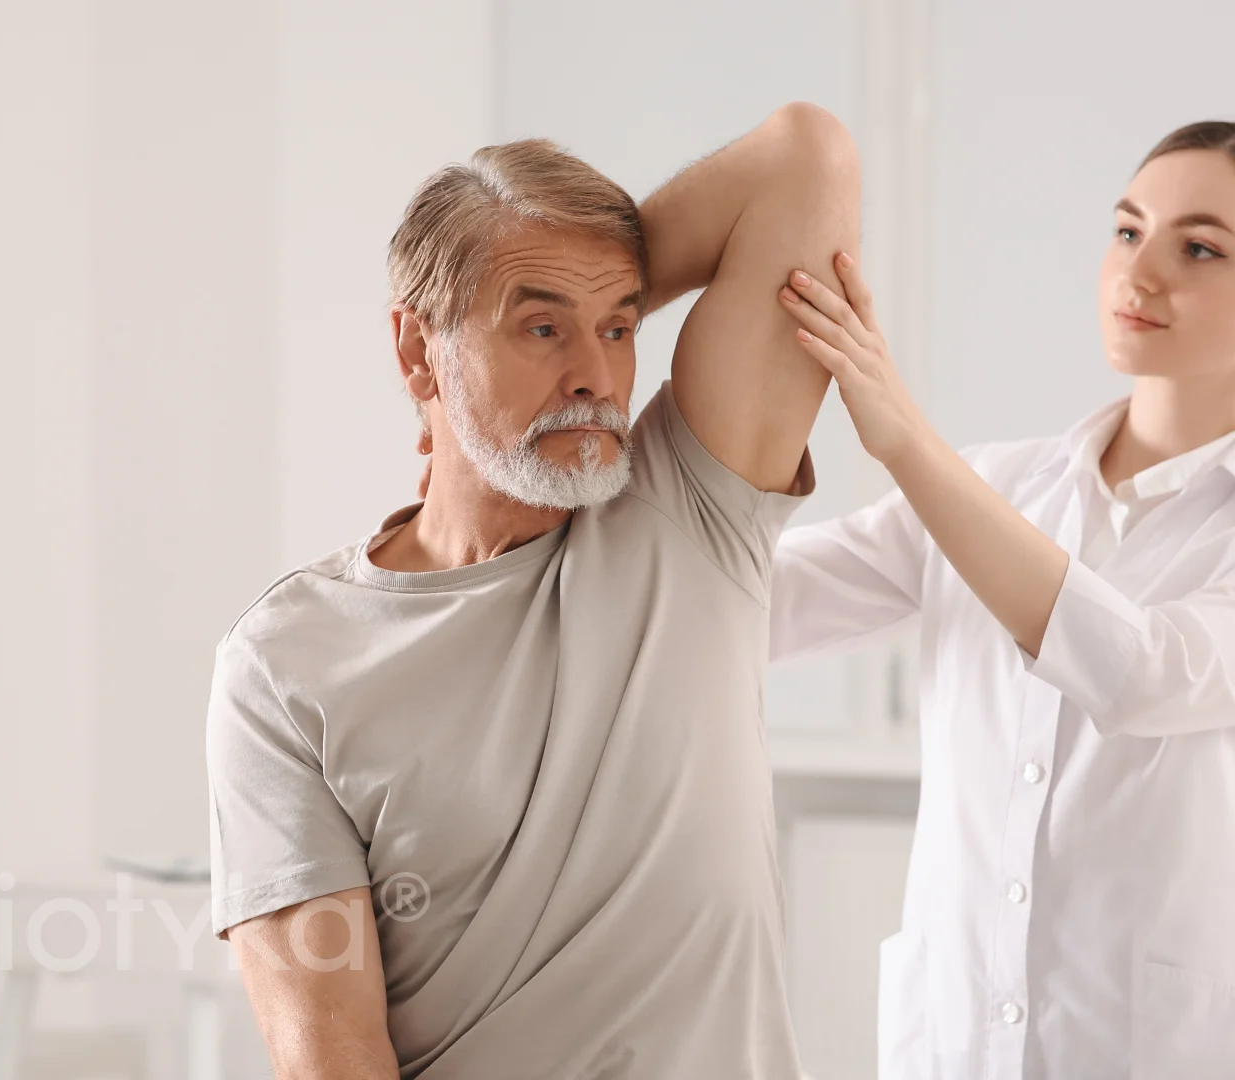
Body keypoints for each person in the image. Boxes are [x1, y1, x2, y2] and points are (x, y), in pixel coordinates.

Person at [205, 103, 858, 1079]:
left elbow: (807, 157)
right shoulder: (287, 662)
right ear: (417, 351)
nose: (596, 375)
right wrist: (515, 267)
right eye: (542, 327)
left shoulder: (689, 511)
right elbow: (331, 1056)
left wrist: (570, 271)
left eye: (619, 327)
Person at [768, 121, 1235, 1080]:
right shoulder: (994, 488)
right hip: (960, 1045)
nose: (1139, 275)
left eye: (1200, 249)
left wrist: (905, 443)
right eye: (1129, 232)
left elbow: (1142, 673)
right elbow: (757, 604)